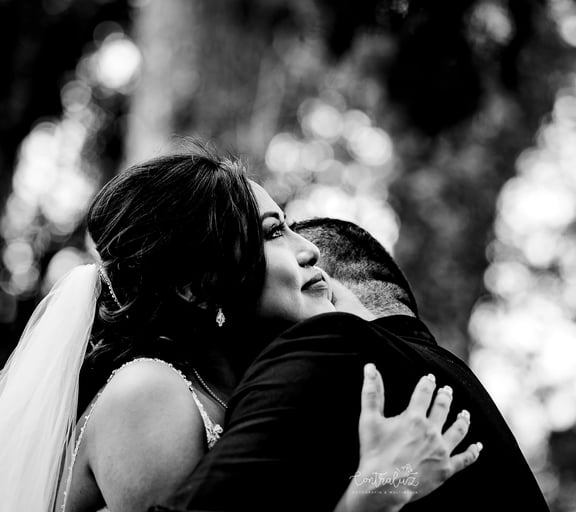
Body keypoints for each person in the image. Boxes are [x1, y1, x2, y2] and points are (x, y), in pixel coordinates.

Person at [0, 150, 478, 512]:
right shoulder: (149, 393)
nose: (310, 249)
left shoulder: (250, 397)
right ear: (195, 286)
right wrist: (375, 494)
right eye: (273, 233)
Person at [155, 212, 550, 509]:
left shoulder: (330, 343)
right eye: (276, 233)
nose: (304, 252)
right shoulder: (459, 380)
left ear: (323, 283)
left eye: (278, 231)